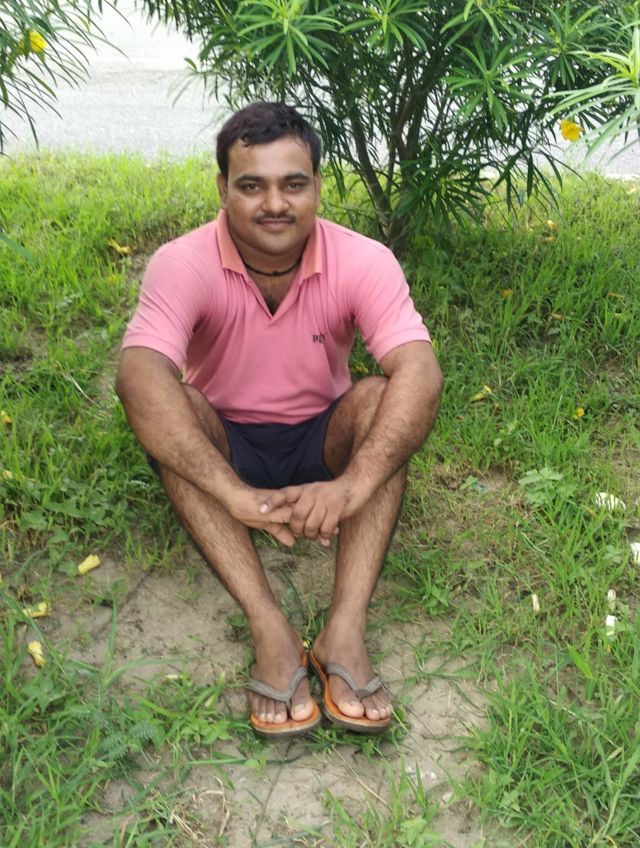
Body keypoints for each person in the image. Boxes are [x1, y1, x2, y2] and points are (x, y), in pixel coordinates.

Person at [116, 102, 443, 737]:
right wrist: (231, 492)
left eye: (293, 184)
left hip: (320, 434)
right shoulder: (183, 262)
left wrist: (352, 485)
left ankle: (344, 630)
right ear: (222, 188)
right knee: (175, 415)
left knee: (382, 401)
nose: (274, 204)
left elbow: (420, 371)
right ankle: (269, 625)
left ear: (317, 185)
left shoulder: (363, 259)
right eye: (252, 185)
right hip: (225, 440)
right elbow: (139, 376)